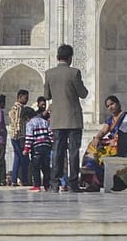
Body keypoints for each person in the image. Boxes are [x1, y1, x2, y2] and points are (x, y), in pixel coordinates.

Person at [44, 44, 89, 192]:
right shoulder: (74, 73)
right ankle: (73, 183)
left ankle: (54, 183)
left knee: (57, 151)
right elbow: (83, 93)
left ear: (57, 58)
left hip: (57, 119)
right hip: (73, 119)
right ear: (70, 58)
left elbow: (47, 96)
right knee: (73, 151)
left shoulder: (49, 74)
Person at [83, 95, 126, 190]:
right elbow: (103, 131)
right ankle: (92, 179)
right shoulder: (111, 120)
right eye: (108, 106)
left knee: (103, 156)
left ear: (118, 104)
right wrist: (97, 138)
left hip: (121, 143)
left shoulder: (125, 117)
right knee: (92, 147)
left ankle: (98, 182)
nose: (110, 107)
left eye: (112, 104)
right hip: (111, 143)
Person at [22, 107, 52, 191]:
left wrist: (26, 149)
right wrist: (51, 143)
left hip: (36, 148)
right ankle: (47, 185)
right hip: (46, 146)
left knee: (36, 167)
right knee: (46, 167)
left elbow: (29, 137)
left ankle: (37, 185)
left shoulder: (30, 124)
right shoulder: (44, 121)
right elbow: (50, 134)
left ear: (27, 117)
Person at [8, 89, 30, 186]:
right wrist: (18, 134)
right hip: (19, 136)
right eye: (25, 98)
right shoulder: (19, 108)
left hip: (15, 136)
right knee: (23, 159)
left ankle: (14, 179)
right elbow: (17, 121)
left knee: (17, 158)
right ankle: (23, 179)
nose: (27, 100)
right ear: (20, 97)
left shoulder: (14, 107)